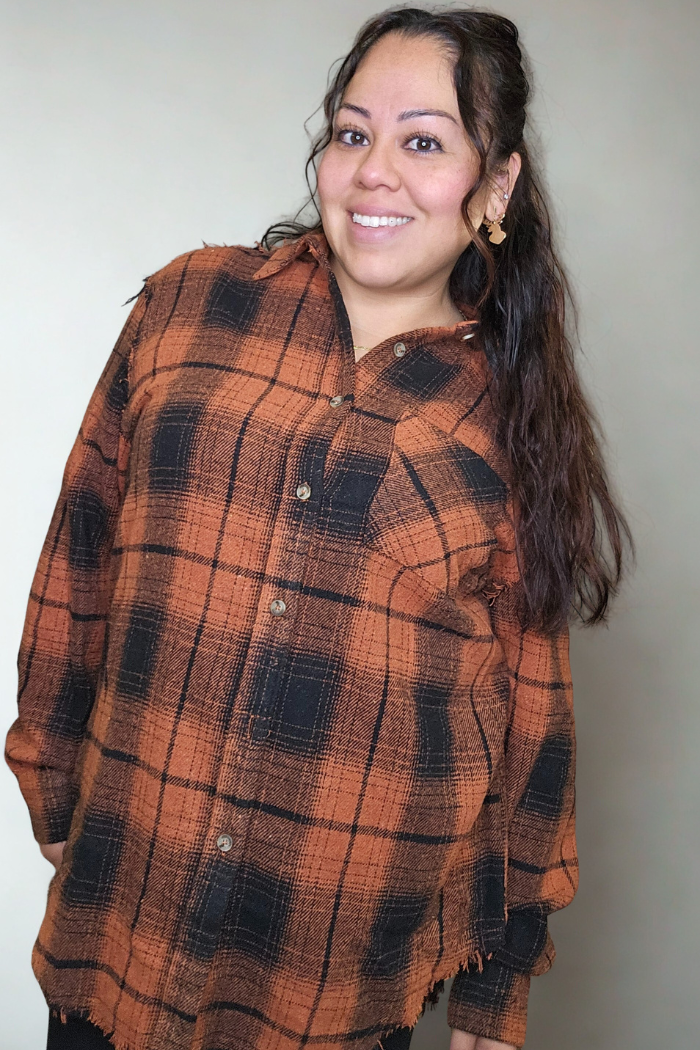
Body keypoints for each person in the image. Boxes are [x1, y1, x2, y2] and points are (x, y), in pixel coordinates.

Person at [5, 7, 630, 1050]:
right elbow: (75, 568)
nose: (375, 169)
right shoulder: (188, 309)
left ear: (498, 185)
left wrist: (493, 994)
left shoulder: (510, 421)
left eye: (423, 141)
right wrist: (65, 802)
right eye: (352, 133)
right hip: (120, 932)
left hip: (335, 983)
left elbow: (529, 722)